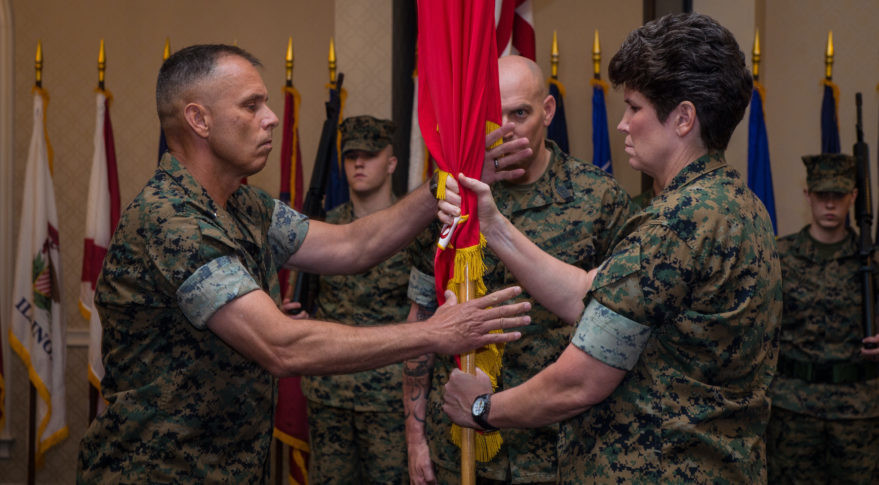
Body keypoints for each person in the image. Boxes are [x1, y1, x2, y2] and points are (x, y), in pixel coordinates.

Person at [76, 44, 532, 483]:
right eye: (251, 105)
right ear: (199, 119)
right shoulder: (171, 220)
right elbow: (282, 346)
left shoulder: (242, 205)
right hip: (158, 472)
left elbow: (352, 245)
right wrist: (434, 333)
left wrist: (445, 183)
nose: (271, 117)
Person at [439, 13, 781, 483]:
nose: (621, 124)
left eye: (634, 107)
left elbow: (579, 382)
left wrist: (481, 409)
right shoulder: (736, 203)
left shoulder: (678, 221)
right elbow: (589, 295)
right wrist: (493, 225)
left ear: (683, 118)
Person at [403, 55, 634, 485]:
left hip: (558, 451)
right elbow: (421, 315)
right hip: (460, 447)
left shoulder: (599, 199)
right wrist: (415, 439)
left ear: (548, 111)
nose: (505, 129)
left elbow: (621, 332)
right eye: (494, 116)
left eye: (520, 113)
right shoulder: (454, 196)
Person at [301, 115, 417, 483]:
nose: (359, 164)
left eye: (369, 155)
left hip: (389, 396)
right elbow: (305, 300)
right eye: (351, 156)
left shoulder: (414, 229)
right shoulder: (322, 228)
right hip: (328, 391)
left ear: (391, 163)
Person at [767, 153, 879, 483]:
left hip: (857, 412)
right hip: (793, 409)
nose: (830, 204)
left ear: (853, 197)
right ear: (808, 196)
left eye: (839, 195)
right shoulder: (779, 257)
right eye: (822, 195)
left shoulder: (870, 262)